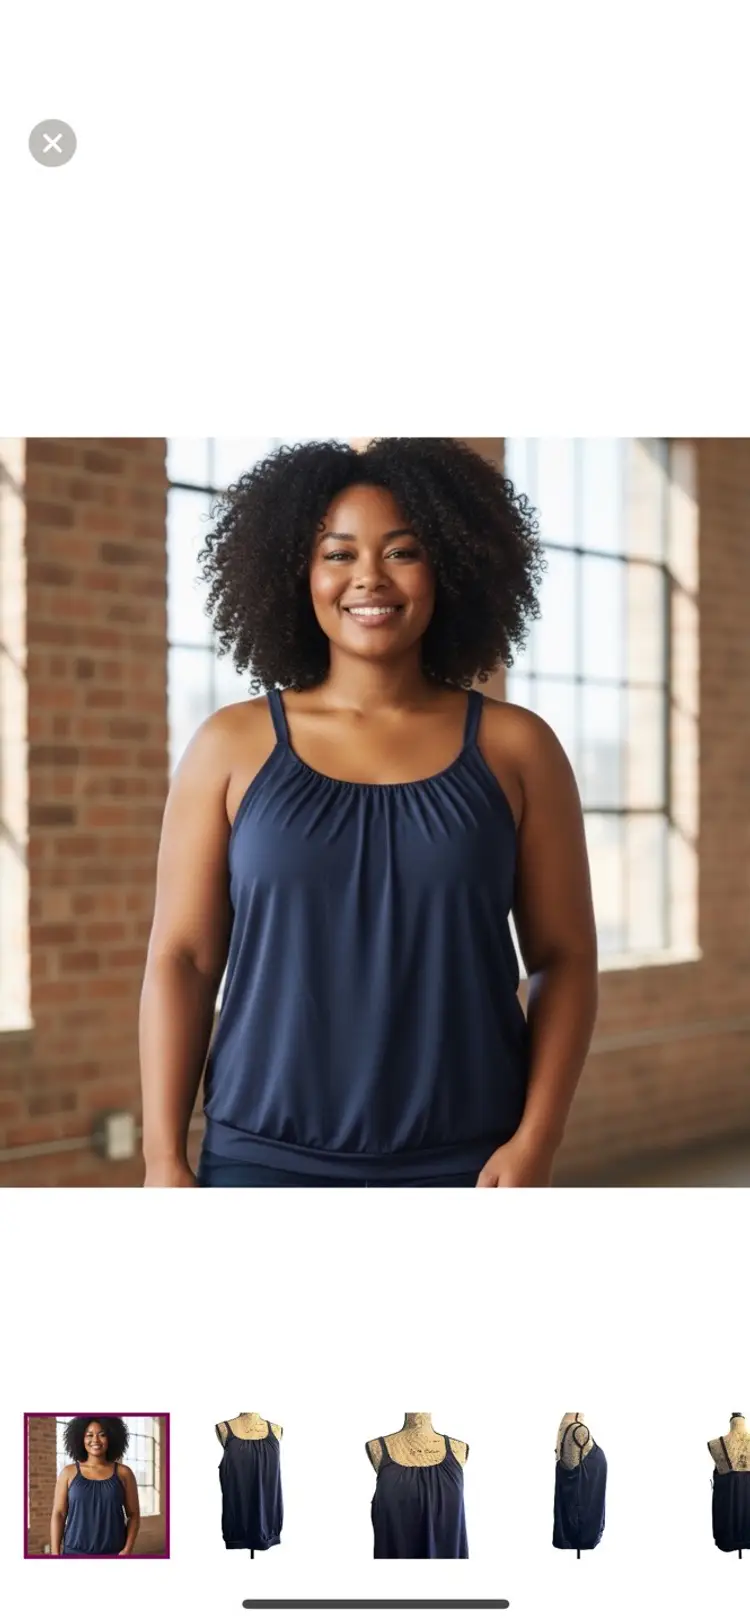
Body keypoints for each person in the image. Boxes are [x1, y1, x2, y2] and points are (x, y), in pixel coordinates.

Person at [140, 438, 598, 1188]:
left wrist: (536, 1143)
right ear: (298, 571)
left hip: (470, 1162)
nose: (369, 578)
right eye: (339, 554)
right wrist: (162, 1158)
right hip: (261, 1160)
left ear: (450, 565)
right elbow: (183, 960)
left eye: (403, 552)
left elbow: (565, 958)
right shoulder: (231, 745)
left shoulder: (519, 748)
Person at [50, 1416, 140, 1556]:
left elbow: (134, 1515)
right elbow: (59, 1514)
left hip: (114, 1553)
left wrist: (127, 1550)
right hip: (74, 1553)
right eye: (89, 1435)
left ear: (111, 1437)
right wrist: (55, 1553)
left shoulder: (124, 1473)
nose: (95, 1440)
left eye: (102, 1435)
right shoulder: (68, 1473)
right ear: (81, 1438)